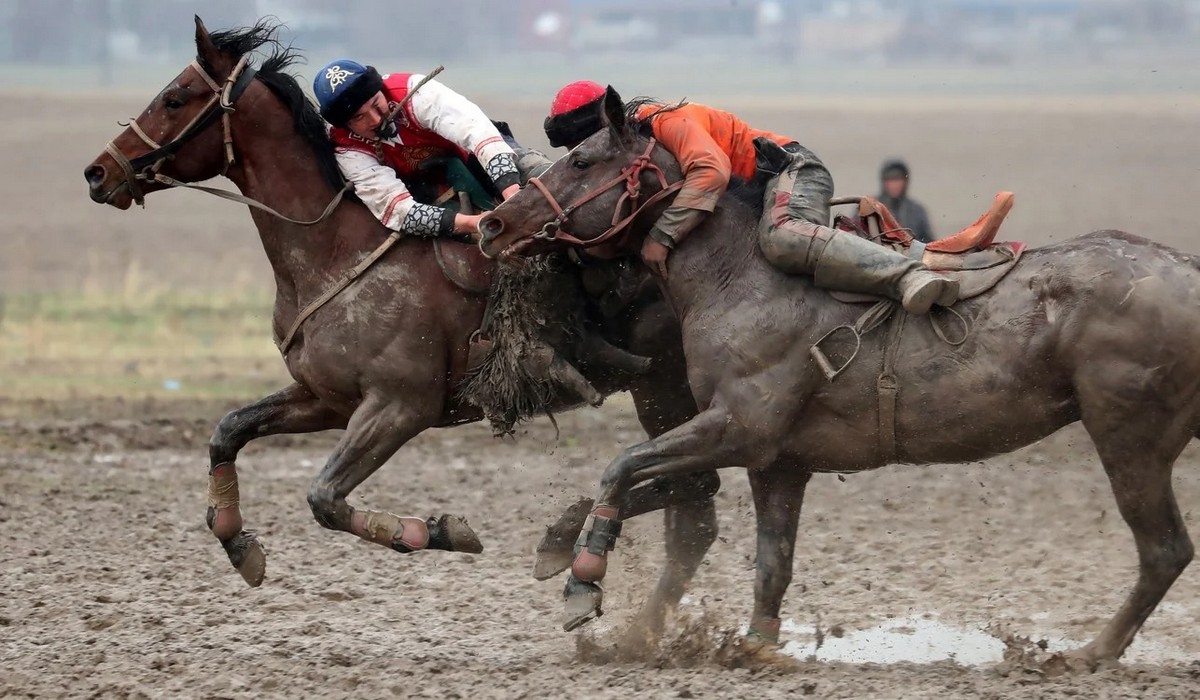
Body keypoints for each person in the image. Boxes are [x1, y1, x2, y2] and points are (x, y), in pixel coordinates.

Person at [542, 81, 958, 314]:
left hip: (786, 170)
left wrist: (663, 236)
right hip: (744, 200)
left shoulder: (665, 121)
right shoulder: (637, 154)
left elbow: (711, 171)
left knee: (784, 237)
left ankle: (909, 276)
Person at [313, 60, 526, 238]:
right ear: (345, 124)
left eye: (376, 103)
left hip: (476, 156)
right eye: (359, 117)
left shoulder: (413, 90)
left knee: (534, 169)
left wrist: (514, 196)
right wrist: (474, 224)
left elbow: (477, 134)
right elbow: (397, 209)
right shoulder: (345, 148)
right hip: (425, 191)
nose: (376, 120)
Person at [878, 159, 934, 243]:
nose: (894, 185)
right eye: (891, 180)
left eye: (898, 180)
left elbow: (928, 242)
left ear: (905, 182)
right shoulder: (871, 207)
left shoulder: (916, 211)